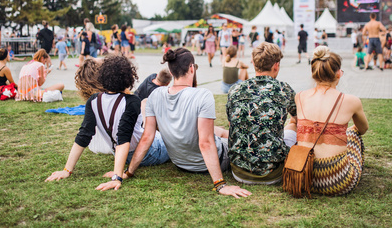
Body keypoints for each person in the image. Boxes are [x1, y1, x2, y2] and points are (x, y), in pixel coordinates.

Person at [124, 48, 251, 198]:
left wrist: (128, 172)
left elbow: (147, 138)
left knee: (220, 133)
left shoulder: (155, 95)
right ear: (192, 68)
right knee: (242, 139)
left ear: (171, 72)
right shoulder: (203, 95)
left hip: (180, 163)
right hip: (210, 161)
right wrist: (220, 184)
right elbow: (206, 143)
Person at [45, 55, 170, 188]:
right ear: (130, 77)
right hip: (149, 152)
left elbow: (84, 135)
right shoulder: (131, 102)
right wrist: (118, 176)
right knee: (167, 133)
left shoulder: (93, 100)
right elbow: (123, 139)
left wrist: (67, 170)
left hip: (122, 155)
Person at [295, 46, 369, 196]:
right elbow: (363, 129)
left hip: (304, 175)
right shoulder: (351, 101)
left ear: (314, 73)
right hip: (337, 180)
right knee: (353, 132)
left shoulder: (299, 96)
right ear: (338, 74)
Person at [226, 42, 297, 184]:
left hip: (240, 172)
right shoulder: (283, 89)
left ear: (254, 64)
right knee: (294, 125)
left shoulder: (235, 89)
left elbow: (231, 124)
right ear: (276, 65)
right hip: (274, 173)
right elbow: (301, 120)